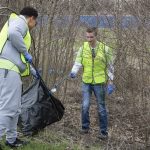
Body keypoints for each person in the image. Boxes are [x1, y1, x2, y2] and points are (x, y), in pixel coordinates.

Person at [0, 6, 38, 148]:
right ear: (32, 18)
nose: (34, 26)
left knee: (15, 108)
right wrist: (26, 52)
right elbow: (13, 33)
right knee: (8, 107)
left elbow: (17, 57)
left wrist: (33, 71)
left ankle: (11, 139)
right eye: (35, 23)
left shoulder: (16, 22)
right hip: (7, 70)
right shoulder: (20, 22)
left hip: (10, 69)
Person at [69, 27, 115, 140]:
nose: (89, 39)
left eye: (91, 37)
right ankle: (85, 128)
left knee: (101, 108)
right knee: (85, 105)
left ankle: (103, 132)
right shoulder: (83, 48)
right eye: (87, 37)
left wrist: (110, 82)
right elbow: (78, 62)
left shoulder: (105, 49)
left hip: (99, 83)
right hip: (86, 81)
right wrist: (74, 72)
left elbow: (110, 66)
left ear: (96, 36)